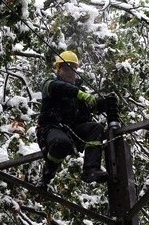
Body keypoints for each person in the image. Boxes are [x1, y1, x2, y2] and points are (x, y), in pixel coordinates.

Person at [36, 50, 109, 189]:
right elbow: (61, 88)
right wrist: (80, 94)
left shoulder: (79, 94)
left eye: (73, 68)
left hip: (72, 131)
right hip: (50, 129)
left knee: (95, 128)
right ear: (58, 70)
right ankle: (47, 173)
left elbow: (85, 116)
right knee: (61, 143)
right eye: (66, 67)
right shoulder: (50, 85)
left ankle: (91, 169)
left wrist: (100, 105)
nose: (70, 71)